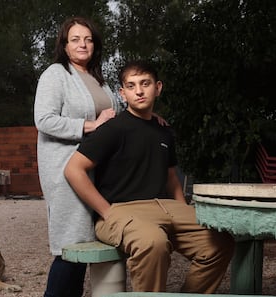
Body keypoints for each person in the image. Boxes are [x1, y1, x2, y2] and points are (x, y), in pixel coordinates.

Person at [64, 60, 235, 293]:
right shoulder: (113, 129)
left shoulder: (164, 130)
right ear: (123, 93)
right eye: (132, 86)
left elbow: (171, 178)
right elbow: (73, 169)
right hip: (122, 210)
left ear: (158, 87)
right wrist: (106, 211)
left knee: (220, 242)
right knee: (152, 242)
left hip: (166, 208)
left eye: (145, 83)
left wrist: (184, 212)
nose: (139, 91)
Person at [34, 16, 123, 297]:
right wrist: (90, 125)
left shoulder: (100, 79)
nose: (83, 44)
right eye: (75, 39)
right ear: (64, 45)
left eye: (88, 39)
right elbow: (44, 120)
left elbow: (116, 115)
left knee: (92, 243)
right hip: (68, 169)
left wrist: (149, 118)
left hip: (101, 169)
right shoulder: (55, 74)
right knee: (71, 245)